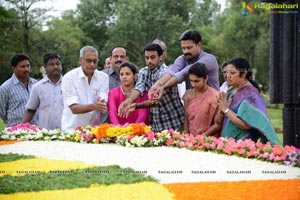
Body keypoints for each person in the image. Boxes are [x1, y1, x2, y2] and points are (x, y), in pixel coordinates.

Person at [118, 43, 184, 132]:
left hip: (174, 122)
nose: (149, 61)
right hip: (155, 124)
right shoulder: (143, 72)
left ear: (160, 57)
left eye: (152, 57)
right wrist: (128, 101)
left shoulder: (166, 73)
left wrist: (137, 106)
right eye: (147, 58)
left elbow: (154, 101)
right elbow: (138, 88)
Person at [217, 57, 279, 144]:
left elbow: (246, 125)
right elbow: (221, 118)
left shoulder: (250, 94)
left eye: (232, 72)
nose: (227, 76)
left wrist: (226, 110)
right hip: (226, 143)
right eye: (226, 72)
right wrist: (221, 110)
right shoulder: (230, 91)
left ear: (244, 73)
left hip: (243, 146)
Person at [149, 29, 219, 101]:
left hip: (212, 104)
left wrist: (163, 87)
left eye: (189, 48)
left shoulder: (209, 59)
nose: (186, 51)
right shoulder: (183, 58)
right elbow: (172, 71)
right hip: (194, 105)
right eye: (183, 48)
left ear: (199, 45)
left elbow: (186, 72)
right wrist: (156, 86)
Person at [61, 46, 109, 130]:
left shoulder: (104, 77)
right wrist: (95, 106)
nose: (92, 64)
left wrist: (100, 104)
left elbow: (102, 103)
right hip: (71, 129)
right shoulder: (69, 77)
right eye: (89, 61)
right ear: (80, 60)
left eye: (95, 61)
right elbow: (74, 109)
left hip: (93, 130)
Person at [23, 53, 63, 130]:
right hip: (45, 135)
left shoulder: (69, 85)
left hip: (67, 133)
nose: (55, 66)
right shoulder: (37, 87)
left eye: (58, 64)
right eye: (51, 64)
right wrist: (21, 129)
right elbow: (30, 110)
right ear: (45, 67)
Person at [183, 63, 220, 137]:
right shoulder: (188, 95)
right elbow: (187, 119)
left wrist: (201, 138)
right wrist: (186, 137)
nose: (193, 85)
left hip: (208, 140)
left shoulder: (215, 96)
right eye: (191, 81)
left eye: (197, 81)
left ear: (206, 78)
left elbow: (217, 125)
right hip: (190, 140)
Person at [0, 54, 37, 127]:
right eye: (22, 66)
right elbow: (2, 112)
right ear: (13, 69)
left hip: (36, 131)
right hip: (15, 132)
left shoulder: (36, 84)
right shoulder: (5, 88)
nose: (26, 69)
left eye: (28, 66)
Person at [153, 38, 186, 104]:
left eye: (160, 51)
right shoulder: (143, 73)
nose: (158, 53)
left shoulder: (175, 73)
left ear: (165, 53)